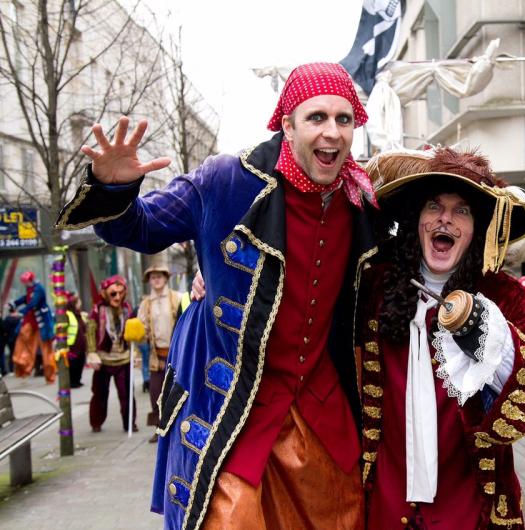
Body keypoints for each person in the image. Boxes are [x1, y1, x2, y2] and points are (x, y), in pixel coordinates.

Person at [56, 63, 375, 530]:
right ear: (287, 124)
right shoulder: (226, 181)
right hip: (232, 407)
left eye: (343, 119)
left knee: (343, 516)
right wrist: (115, 187)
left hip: (321, 410)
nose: (332, 132)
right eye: (317, 118)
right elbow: (142, 227)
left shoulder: (362, 195)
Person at [357, 146, 525, 528]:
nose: (446, 220)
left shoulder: (502, 296)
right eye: (434, 207)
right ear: (416, 219)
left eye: (462, 211)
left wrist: (501, 348)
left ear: (477, 231)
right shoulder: (374, 287)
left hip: (471, 510)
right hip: (384, 507)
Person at [138, 263, 184, 443]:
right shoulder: (145, 304)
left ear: (166, 278)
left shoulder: (178, 298)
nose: (156, 279)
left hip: (176, 352)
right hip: (156, 355)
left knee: (178, 390)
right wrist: (138, 333)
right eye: (152, 277)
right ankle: (159, 427)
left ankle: (178, 427)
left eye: (159, 276)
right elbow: (143, 330)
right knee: (156, 392)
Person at [86, 275, 137, 432]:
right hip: (103, 359)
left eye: (121, 293)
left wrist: (134, 352)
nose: (117, 297)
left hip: (123, 358)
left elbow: (133, 333)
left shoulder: (127, 309)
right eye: (113, 294)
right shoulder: (97, 310)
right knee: (99, 394)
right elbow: (90, 333)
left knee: (127, 394)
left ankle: (129, 423)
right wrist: (92, 354)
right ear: (105, 294)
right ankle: (96, 422)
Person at [12, 271, 56, 382]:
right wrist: (14, 303)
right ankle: (23, 369)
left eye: (26, 281)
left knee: (47, 351)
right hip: (32, 323)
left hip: (42, 325)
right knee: (23, 342)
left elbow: (33, 303)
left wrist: (21, 311)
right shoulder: (31, 289)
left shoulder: (39, 289)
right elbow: (25, 299)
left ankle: (50, 376)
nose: (25, 284)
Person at [65, 292, 88, 388]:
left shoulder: (80, 315)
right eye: (78, 303)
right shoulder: (68, 314)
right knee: (73, 364)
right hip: (72, 345)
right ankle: (73, 381)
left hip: (81, 345)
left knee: (80, 362)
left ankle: (77, 380)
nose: (80, 304)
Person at [0, 304, 21, 376]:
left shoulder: (7, 319)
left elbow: (5, 329)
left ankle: (11, 369)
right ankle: (19, 369)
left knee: (11, 354)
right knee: (18, 353)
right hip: (18, 338)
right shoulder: (18, 318)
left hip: (10, 339)